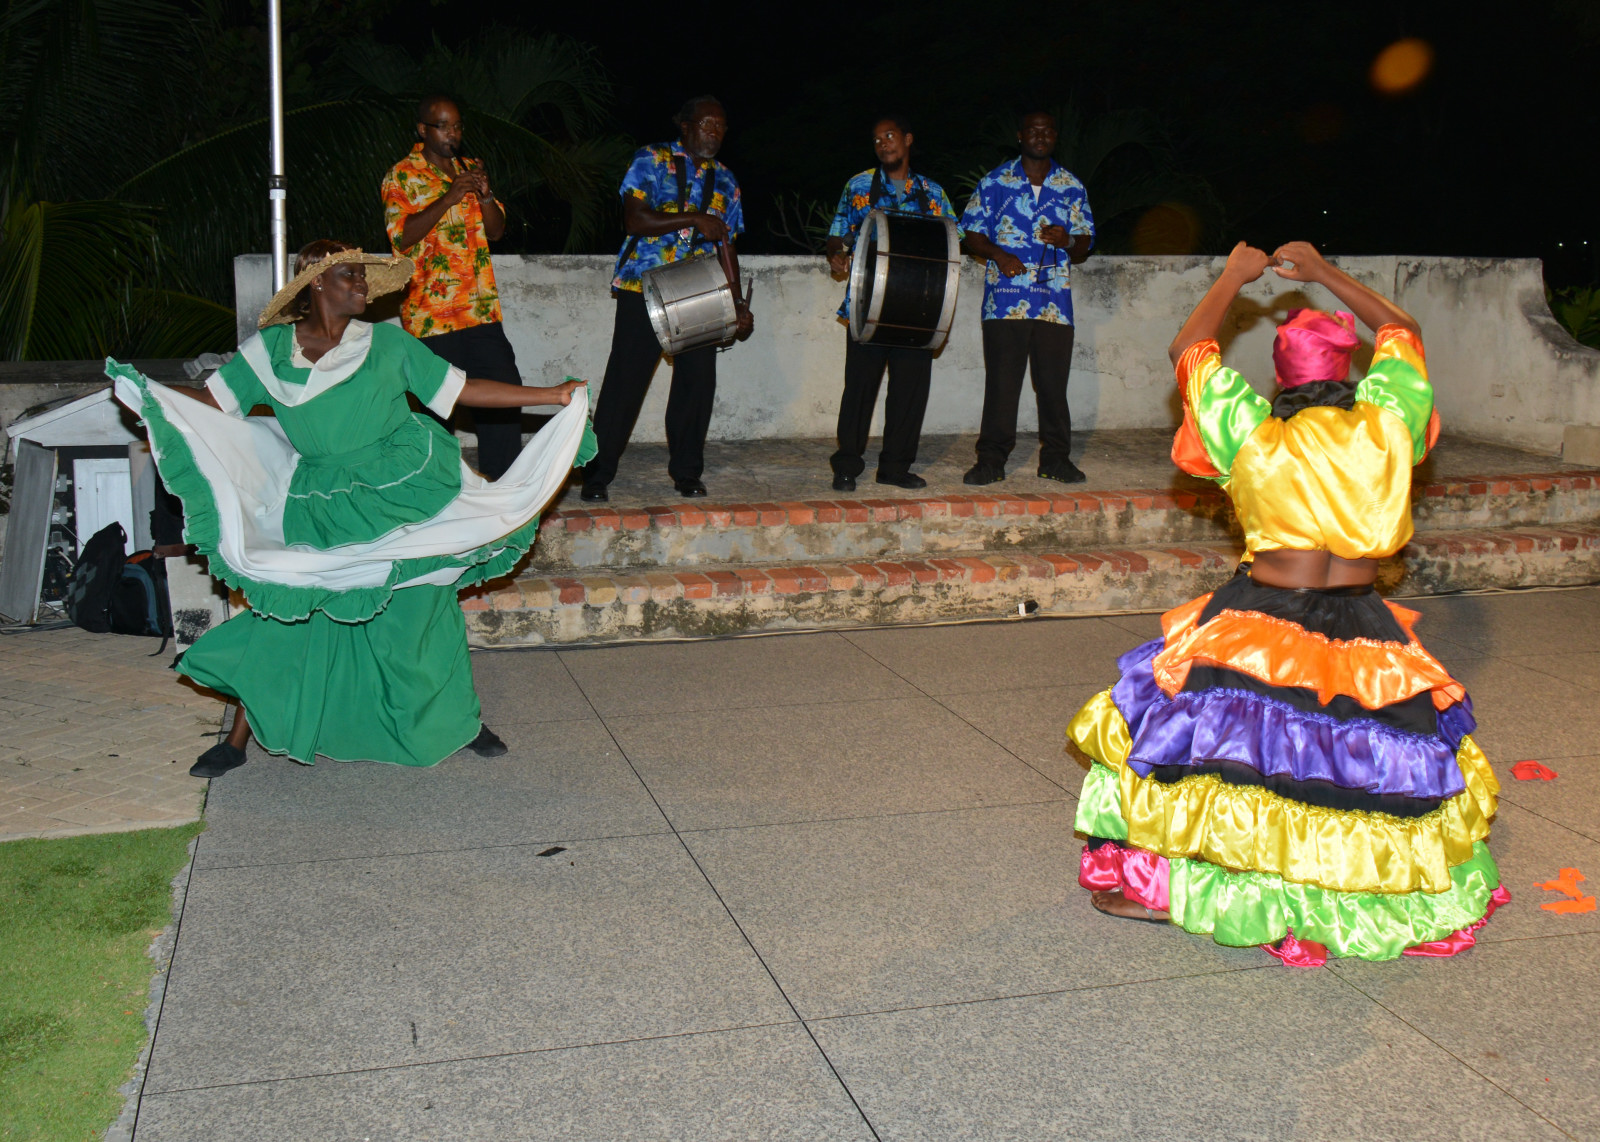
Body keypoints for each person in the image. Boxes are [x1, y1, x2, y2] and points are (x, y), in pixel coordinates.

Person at [1067, 240, 1506, 965]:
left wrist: (1234, 278)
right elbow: (1402, 331)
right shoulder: (1389, 421)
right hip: (1363, 622)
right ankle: (1344, 898)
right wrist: (1326, 273)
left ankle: (1186, 890)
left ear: (1279, 377)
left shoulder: (1252, 429)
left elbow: (1189, 349)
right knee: (1354, 771)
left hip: (1262, 616)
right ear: (1349, 374)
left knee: (1217, 760)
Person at [108, 241, 593, 778]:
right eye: (350, 274)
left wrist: (552, 395)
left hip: (401, 486)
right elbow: (212, 401)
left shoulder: (387, 342)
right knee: (292, 612)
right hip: (322, 501)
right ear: (316, 281)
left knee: (419, 610)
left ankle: (460, 722)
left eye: (363, 275)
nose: (362, 284)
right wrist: (149, 393)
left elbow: (464, 390)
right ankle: (238, 739)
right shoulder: (268, 352)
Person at [581, 95, 753, 503]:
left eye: (721, 126)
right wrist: (694, 218)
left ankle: (687, 472)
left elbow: (727, 246)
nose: (714, 132)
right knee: (626, 381)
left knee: (697, 382)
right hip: (642, 287)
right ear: (685, 125)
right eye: (707, 124)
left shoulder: (726, 180)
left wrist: (737, 304)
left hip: (700, 292)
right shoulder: (652, 159)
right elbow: (635, 219)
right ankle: (597, 474)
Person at [381, 96, 528, 480]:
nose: (453, 133)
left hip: (480, 310)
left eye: (458, 126)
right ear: (423, 130)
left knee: (503, 397)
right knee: (435, 411)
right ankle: (437, 489)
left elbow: (496, 231)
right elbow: (401, 238)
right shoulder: (402, 175)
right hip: (431, 315)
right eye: (444, 126)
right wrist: (449, 197)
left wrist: (485, 194)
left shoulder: (468, 170)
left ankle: (503, 489)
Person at [823, 115, 960, 492]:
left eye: (890, 136)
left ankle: (895, 467)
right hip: (867, 302)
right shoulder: (858, 185)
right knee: (859, 389)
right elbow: (837, 234)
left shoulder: (933, 192)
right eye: (877, 139)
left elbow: (952, 240)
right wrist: (835, 254)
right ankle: (846, 465)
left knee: (909, 392)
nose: (883, 143)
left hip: (918, 307)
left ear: (908, 139)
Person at [958, 111, 1095, 486]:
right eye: (1033, 130)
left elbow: (1085, 243)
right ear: (1020, 136)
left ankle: (1056, 460)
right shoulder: (995, 182)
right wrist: (1000, 256)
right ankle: (990, 460)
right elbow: (971, 233)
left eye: (1047, 130)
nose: (1040, 135)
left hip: (1054, 304)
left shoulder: (1071, 186)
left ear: (1055, 136)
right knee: (1002, 385)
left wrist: (1067, 239)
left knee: (1053, 386)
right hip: (1005, 301)